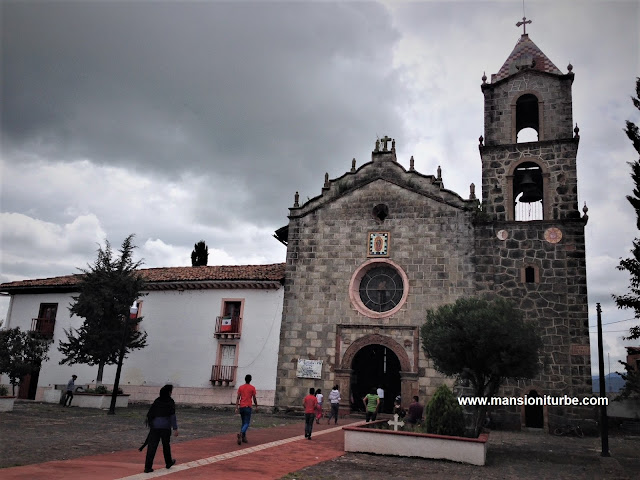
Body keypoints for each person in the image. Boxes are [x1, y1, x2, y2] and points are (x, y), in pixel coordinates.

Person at [144, 384, 178, 473]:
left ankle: (148, 467)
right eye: (171, 391)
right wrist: (175, 428)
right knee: (166, 445)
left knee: (152, 446)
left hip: (155, 427)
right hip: (165, 427)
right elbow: (172, 416)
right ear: (169, 392)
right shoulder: (170, 402)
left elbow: (151, 413)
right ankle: (168, 462)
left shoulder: (157, 401)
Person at [235, 374, 258, 445]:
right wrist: (256, 406)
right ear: (250, 380)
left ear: (245, 379)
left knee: (243, 422)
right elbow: (254, 398)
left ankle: (243, 437)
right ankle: (242, 433)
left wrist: (236, 407)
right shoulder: (252, 388)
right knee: (247, 423)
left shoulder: (241, 387)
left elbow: (238, 398)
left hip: (242, 406)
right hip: (248, 406)